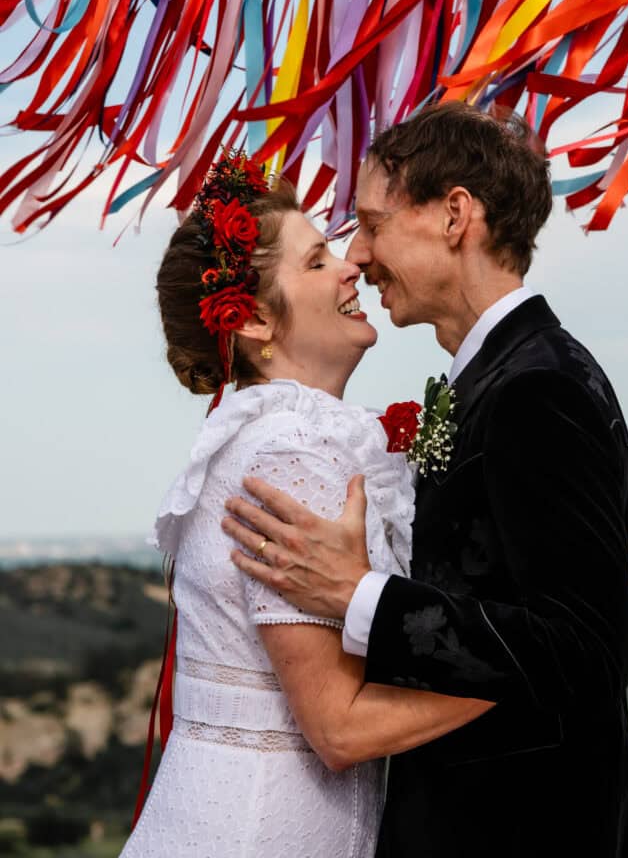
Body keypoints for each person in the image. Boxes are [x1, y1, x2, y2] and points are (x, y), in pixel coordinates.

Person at [223, 103, 628, 858]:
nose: (356, 254)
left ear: (455, 215)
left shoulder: (536, 390)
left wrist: (354, 594)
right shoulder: (505, 378)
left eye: (372, 222)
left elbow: (585, 654)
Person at [119, 152, 493, 858]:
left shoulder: (280, 437)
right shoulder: (292, 452)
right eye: (318, 262)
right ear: (255, 321)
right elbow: (338, 727)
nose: (351, 267)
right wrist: (536, 676)